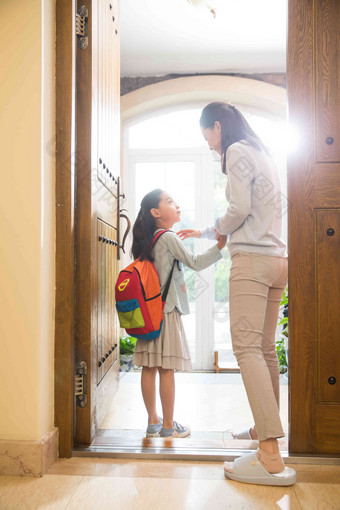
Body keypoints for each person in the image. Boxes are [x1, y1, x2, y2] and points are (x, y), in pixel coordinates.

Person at [178, 102, 296, 485]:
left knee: (245, 350)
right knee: (263, 350)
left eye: (207, 137)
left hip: (253, 260)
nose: (210, 147)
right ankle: (266, 435)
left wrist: (215, 227)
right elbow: (257, 209)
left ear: (217, 127)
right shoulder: (263, 153)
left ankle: (269, 453)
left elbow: (239, 208)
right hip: (278, 260)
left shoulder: (236, 150)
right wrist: (210, 232)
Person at [131, 188, 227, 438]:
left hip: (147, 312)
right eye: (170, 201)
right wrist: (220, 246)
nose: (177, 205)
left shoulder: (147, 238)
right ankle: (168, 426)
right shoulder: (168, 237)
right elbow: (195, 262)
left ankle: (153, 422)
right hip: (166, 312)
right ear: (156, 212)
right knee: (166, 370)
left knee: (149, 368)